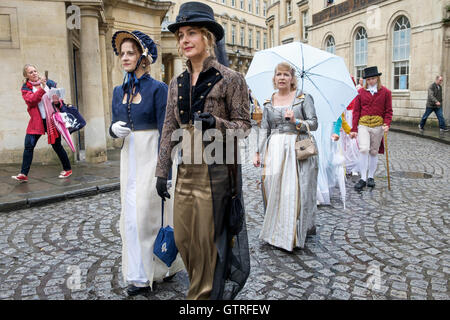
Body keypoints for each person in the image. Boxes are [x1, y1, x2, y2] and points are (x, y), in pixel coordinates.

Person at [155, 2, 251, 300]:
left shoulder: (231, 79)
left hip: (217, 170)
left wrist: (216, 123)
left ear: (207, 37)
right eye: (181, 34)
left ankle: (200, 299)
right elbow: (169, 129)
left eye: (191, 33)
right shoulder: (176, 83)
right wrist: (162, 171)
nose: (184, 40)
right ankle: (200, 290)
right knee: (185, 239)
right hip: (186, 170)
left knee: (208, 242)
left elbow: (244, 127)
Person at [109, 30, 184, 296]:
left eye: (130, 53)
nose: (124, 58)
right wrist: (112, 129)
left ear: (143, 57)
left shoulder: (158, 89)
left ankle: (159, 268)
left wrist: (164, 170)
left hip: (152, 156)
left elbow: (169, 131)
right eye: (122, 53)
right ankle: (138, 275)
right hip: (129, 158)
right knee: (130, 217)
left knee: (148, 216)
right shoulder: (120, 90)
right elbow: (115, 120)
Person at [253, 62, 319, 251]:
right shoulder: (268, 101)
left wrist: (296, 121)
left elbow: (314, 124)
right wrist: (258, 152)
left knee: (293, 192)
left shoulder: (303, 98)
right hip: (274, 149)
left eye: (286, 75)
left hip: (296, 149)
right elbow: (264, 128)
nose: (282, 78)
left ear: (292, 78)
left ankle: (291, 235)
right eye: (278, 74)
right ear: (274, 78)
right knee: (274, 189)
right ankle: (275, 231)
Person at [12, 65, 72, 183]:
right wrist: (42, 89)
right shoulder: (26, 88)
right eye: (30, 72)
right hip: (37, 121)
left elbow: (59, 101)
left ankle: (67, 169)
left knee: (57, 146)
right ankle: (23, 174)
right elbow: (32, 101)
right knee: (29, 145)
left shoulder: (49, 83)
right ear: (26, 76)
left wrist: (57, 101)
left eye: (35, 71)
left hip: (51, 120)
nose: (34, 73)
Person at [350, 66, 393, 192]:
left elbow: (388, 111)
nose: (371, 81)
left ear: (378, 78)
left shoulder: (386, 92)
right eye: (368, 79)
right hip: (363, 124)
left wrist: (387, 123)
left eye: (373, 78)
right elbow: (356, 111)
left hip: (378, 126)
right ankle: (363, 178)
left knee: (374, 151)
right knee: (364, 149)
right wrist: (354, 129)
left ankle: (370, 177)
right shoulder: (360, 93)